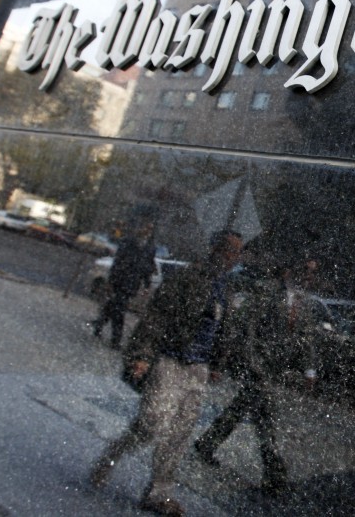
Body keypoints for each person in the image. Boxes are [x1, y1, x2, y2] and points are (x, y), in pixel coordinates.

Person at [89, 230, 243, 516]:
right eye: (228, 250)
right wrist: (142, 355)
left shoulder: (226, 288)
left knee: (180, 433)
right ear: (214, 249)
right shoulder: (187, 277)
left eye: (236, 252)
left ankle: (158, 494)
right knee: (152, 423)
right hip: (170, 360)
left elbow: (224, 329)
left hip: (198, 368)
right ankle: (110, 457)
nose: (232, 257)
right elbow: (156, 316)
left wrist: (218, 364)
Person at [193, 254, 321, 492]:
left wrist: (310, 369)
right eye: (305, 269)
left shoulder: (304, 303)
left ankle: (207, 443)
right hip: (256, 365)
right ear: (291, 269)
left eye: (313, 272)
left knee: (245, 408)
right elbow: (246, 326)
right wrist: (250, 360)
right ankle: (274, 474)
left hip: (274, 368)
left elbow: (307, 338)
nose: (308, 276)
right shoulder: (267, 291)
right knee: (265, 416)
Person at [91, 219, 156, 348]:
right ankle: (116, 339)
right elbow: (118, 262)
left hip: (132, 283)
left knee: (112, 306)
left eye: (149, 229)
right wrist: (111, 281)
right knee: (119, 310)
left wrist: (146, 284)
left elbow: (147, 267)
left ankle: (99, 324)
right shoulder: (128, 242)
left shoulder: (150, 248)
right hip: (120, 281)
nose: (146, 231)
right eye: (145, 227)